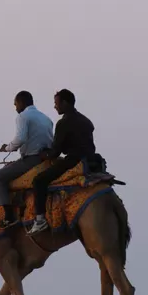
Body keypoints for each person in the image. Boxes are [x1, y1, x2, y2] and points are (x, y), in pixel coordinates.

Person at [27, 89, 96, 234]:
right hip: (92, 160)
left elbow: (55, 152)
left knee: (39, 181)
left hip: (74, 160)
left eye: (56, 103)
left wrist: (43, 154)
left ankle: (40, 220)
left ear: (65, 103)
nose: (55, 106)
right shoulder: (86, 120)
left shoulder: (63, 123)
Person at [0, 91, 54, 227]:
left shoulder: (22, 117)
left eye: (16, 104)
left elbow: (20, 139)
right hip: (46, 158)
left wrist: (7, 148)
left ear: (21, 102)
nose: (15, 108)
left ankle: (9, 217)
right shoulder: (47, 118)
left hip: (31, 159)